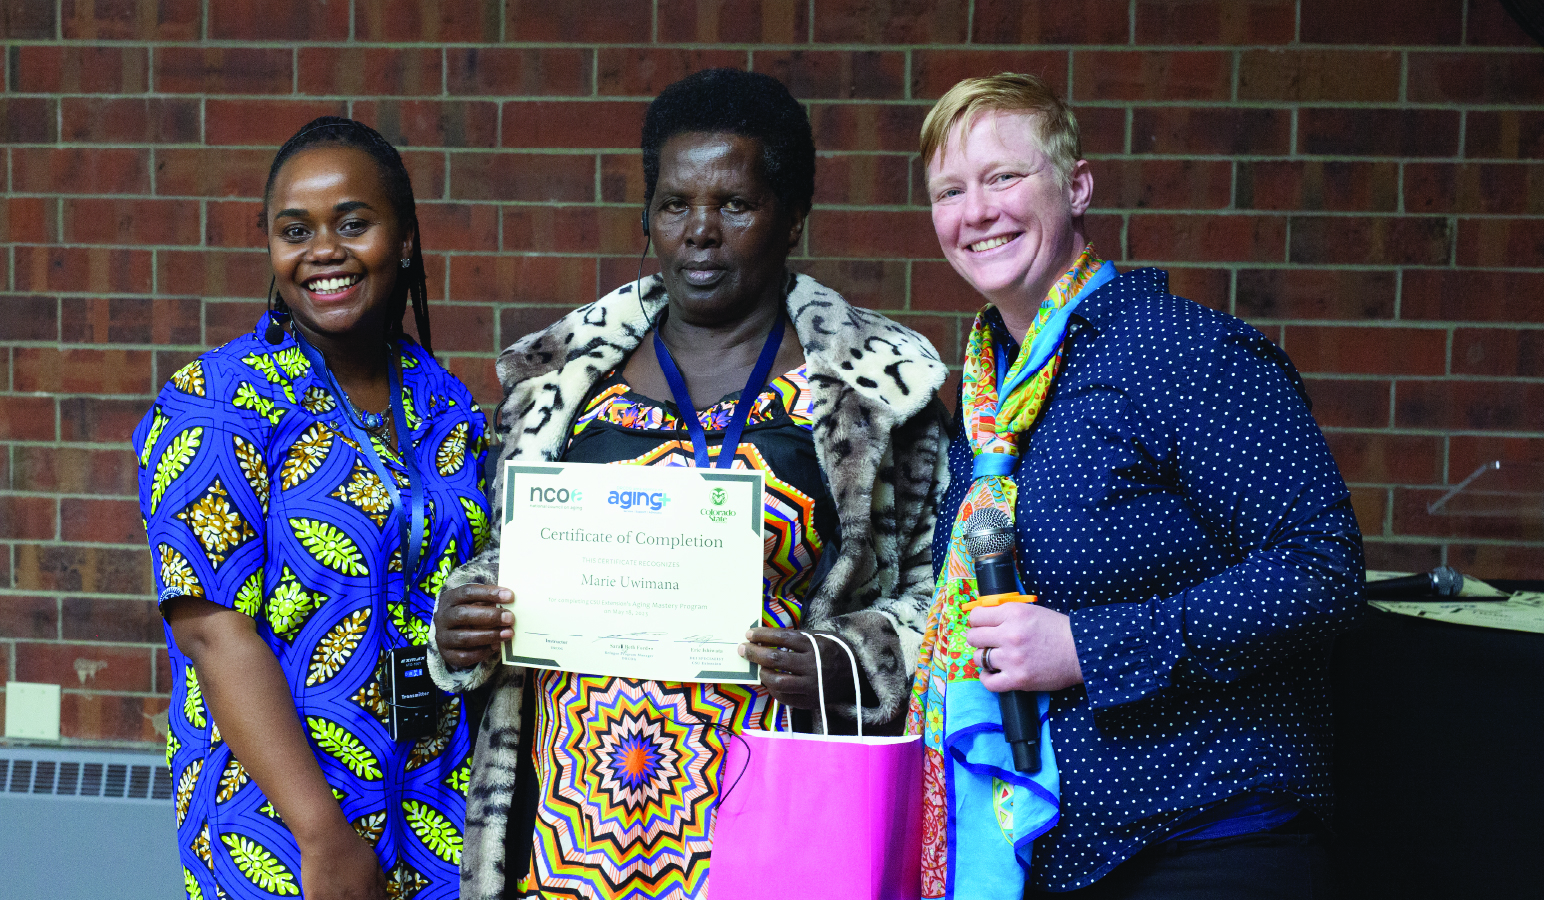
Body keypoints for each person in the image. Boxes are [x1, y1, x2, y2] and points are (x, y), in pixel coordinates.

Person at [429, 68, 949, 900]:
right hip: (570, 839)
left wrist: (842, 663)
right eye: (675, 204)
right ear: (649, 218)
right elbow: (513, 557)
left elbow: (942, 597)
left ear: (791, 218)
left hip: (778, 831)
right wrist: (466, 620)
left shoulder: (874, 394)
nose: (700, 232)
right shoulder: (562, 385)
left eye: (735, 205)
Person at [906, 74, 1364, 900]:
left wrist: (1085, 648)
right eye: (951, 189)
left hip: (1206, 839)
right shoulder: (986, 404)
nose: (977, 211)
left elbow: (1321, 569)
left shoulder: (1182, 353)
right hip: (1050, 849)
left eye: (1004, 176)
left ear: (1077, 185)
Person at [134, 117, 492, 900]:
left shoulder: (444, 400)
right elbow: (210, 631)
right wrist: (321, 835)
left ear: (403, 240)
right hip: (281, 818)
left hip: (440, 804)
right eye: (295, 231)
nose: (323, 251)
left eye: (352, 224)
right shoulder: (219, 403)